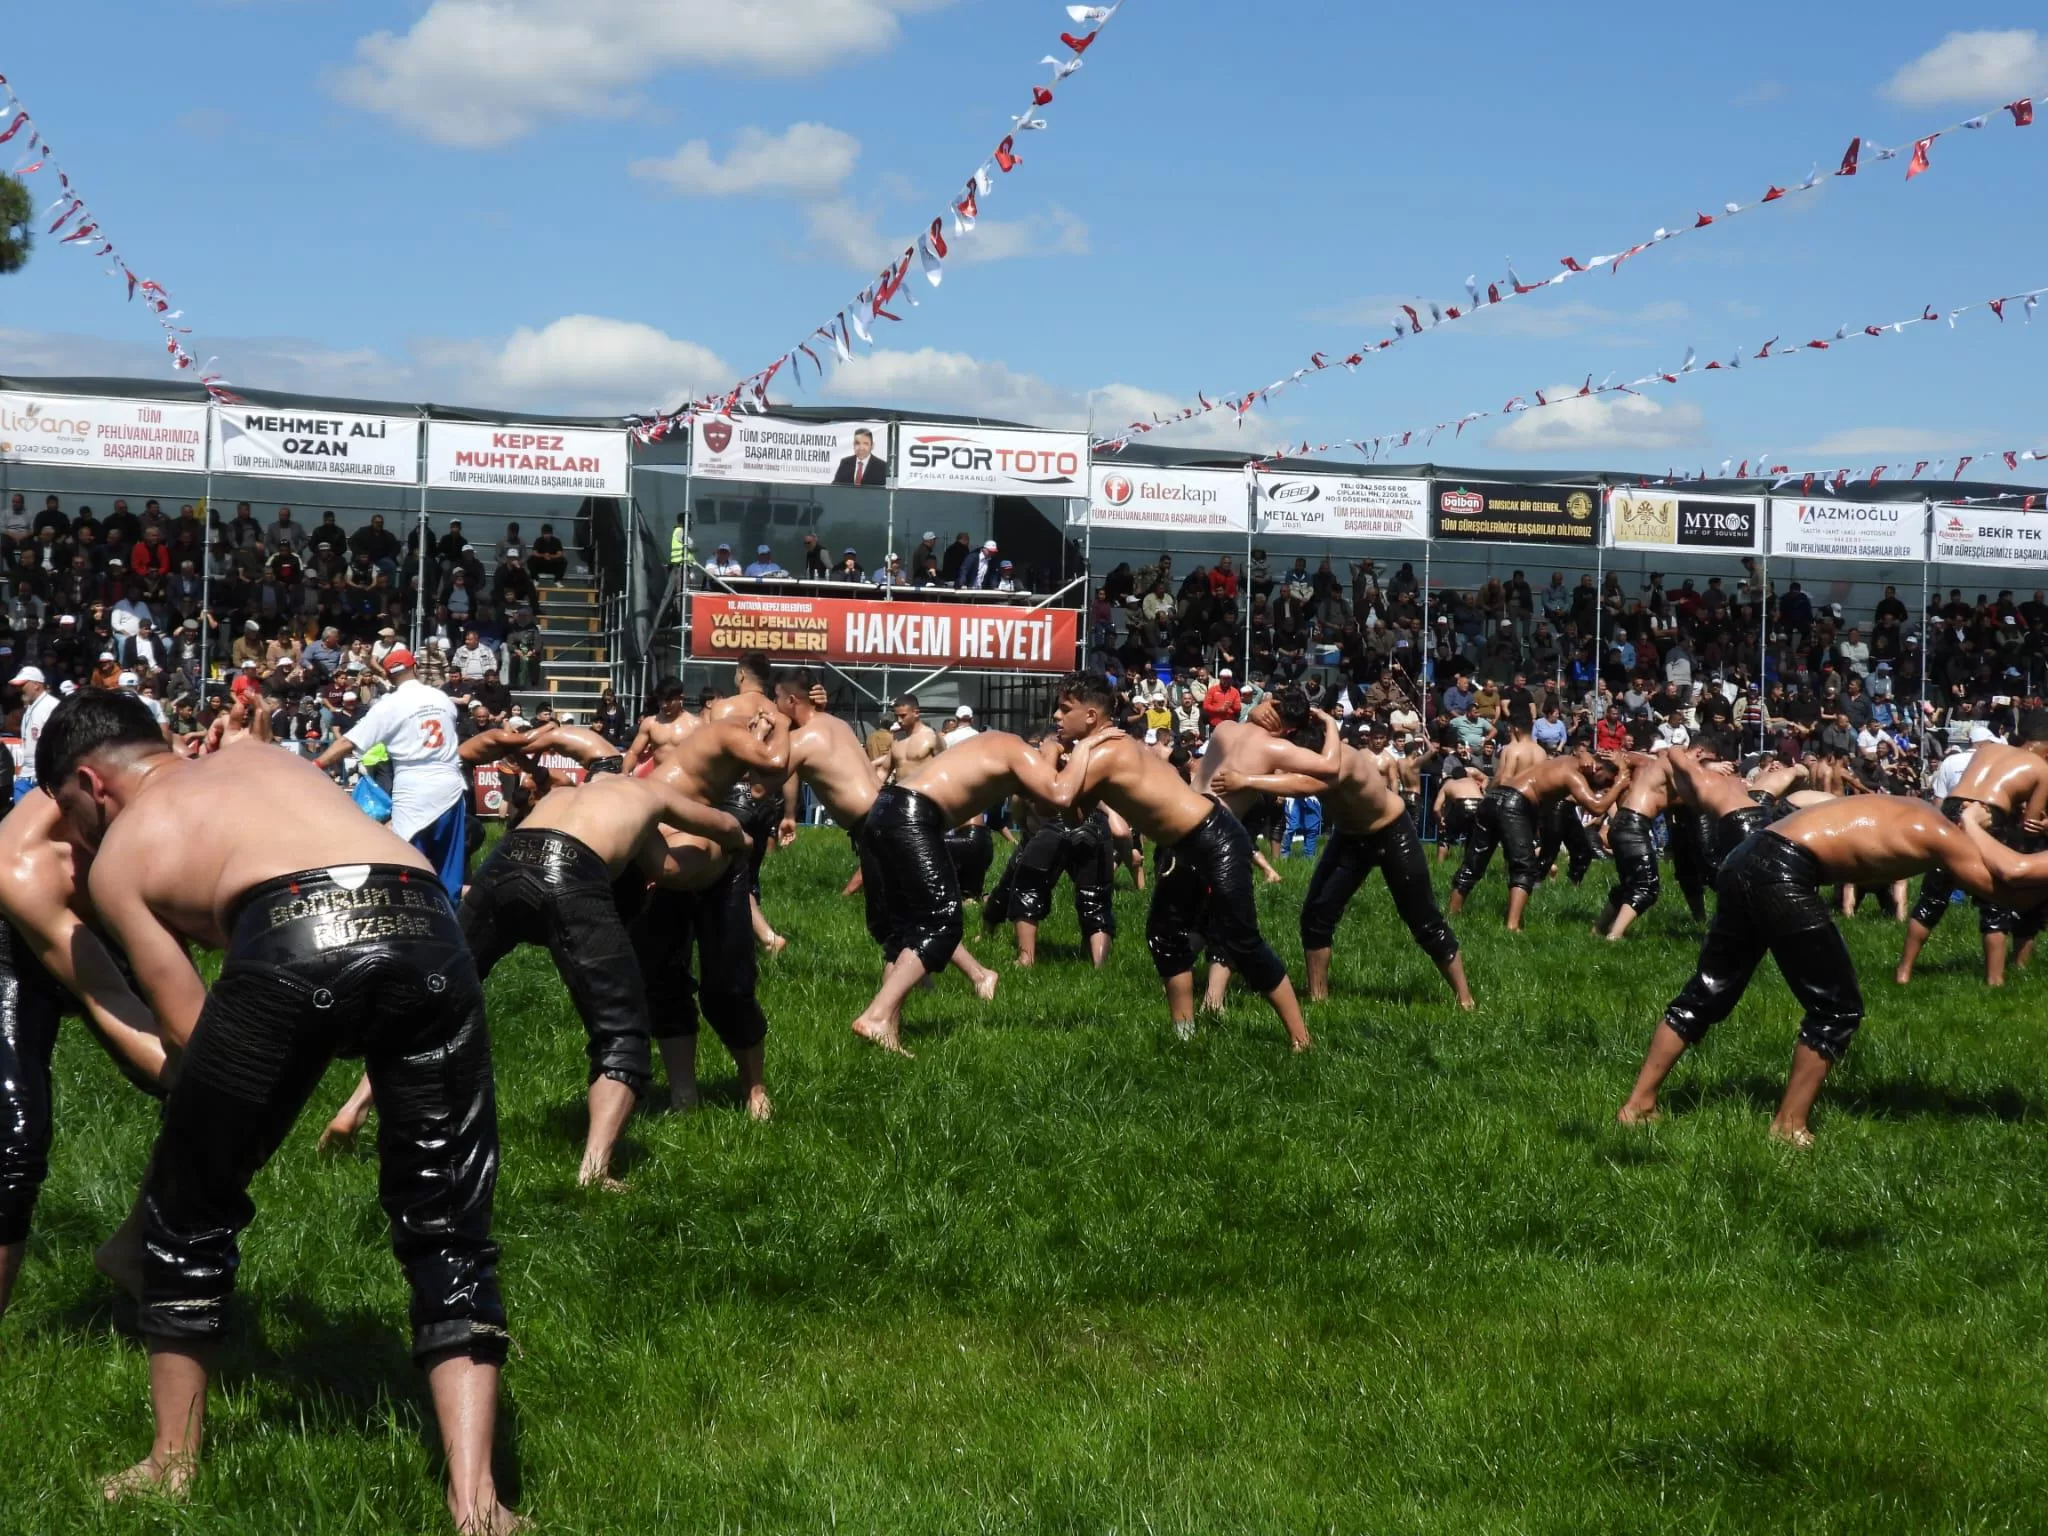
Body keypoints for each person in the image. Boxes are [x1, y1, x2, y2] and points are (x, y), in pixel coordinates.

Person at [38, 690, 515, 1529]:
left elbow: (196, 1042)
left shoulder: (119, 860)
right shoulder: (264, 757)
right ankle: (479, 1504)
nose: (77, 842)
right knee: (448, 1215)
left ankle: (170, 1465)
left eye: (71, 819)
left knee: (189, 1206)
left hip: (290, 925)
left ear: (90, 784)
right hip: (424, 914)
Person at [321, 772, 746, 1186]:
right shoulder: (653, 794)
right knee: (622, 1029)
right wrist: (738, 847)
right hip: (571, 870)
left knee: (434, 995)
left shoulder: (569, 793)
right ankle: (594, 1171)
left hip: (503, 864)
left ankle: (353, 1109)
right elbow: (718, 830)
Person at [1617, 794, 2040, 1146]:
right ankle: (1789, 1126)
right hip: (1783, 870)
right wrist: (1976, 827)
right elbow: (2011, 888)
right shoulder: (1941, 834)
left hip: (1745, 856)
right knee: (1836, 1009)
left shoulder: (1914, 808)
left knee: (1707, 991)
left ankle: (1638, 1106)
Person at [1053, 672, 1315, 1049]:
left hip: (1216, 837)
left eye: (1065, 709)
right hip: (1186, 844)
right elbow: (1072, 816)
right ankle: (1185, 1035)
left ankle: (1301, 1040)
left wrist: (1070, 753)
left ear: (1091, 716)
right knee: (1164, 936)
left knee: (1241, 940)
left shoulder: (1103, 751)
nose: (1057, 717)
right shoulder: (1101, 750)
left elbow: (1061, 796)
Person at [0, 777, 170, 1319]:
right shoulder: (24, 855)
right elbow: (103, 991)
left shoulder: (169, 790)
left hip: (101, 926)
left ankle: (131, 1250)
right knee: (15, 1143)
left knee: (217, 1093)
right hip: (17, 937)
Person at [1208, 705, 1473, 1011]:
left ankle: (1465, 999)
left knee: (1423, 919)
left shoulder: (1340, 760)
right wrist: (1256, 713)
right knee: (1316, 915)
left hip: (1392, 832)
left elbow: (1304, 785)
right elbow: (1257, 744)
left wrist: (1246, 780)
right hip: (1349, 837)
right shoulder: (1313, 753)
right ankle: (1318, 997)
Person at [852, 728, 1100, 1053]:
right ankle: (877, 1016)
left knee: (904, 930)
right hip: (911, 815)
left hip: (885, 809)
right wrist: (1072, 750)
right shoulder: (1014, 746)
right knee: (941, 924)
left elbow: (1061, 810)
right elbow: (1061, 794)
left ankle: (888, 1029)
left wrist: (1071, 775)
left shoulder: (1006, 760)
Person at [636, 699, 790, 1118]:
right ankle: (684, 1095)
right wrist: (780, 723)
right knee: (664, 982)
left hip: (702, 854)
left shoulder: (723, 743)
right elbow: (773, 766)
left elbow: (769, 777)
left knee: (728, 987)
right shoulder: (720, 734)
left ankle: (754, 1089)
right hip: (672, 855)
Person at [1895, 714, 2048, 988]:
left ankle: (1903, 972)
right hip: (1989, 817)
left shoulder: (1988, 749)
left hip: (1952, 810)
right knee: (1996, 902)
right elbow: (2030, 825)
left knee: (1934, 894)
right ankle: (1995, 980)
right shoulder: (2041, 769)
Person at [314, 648, 467, 894]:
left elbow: (347, 742)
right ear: (415, 667)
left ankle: (415, 911)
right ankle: (451, 913)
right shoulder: (442, 698)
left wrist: (314, 766)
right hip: (451, 784)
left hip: (414, 787)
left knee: (410, 865)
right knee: (449, 867)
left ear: (387, 674)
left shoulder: (388, 706)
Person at [1449, 738, 1629, 931]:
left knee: (1475, 861)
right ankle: (1512, 926)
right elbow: (1597, 807)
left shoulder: (1565, 760)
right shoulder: (1574, 774)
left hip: (1493, 798)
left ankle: (1452, 915)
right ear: (1597, 769)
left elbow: (1580, 757)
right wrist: (1619, 784)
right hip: (1514, 803)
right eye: (1607, 781)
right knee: (1524, 868)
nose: (1605, 787)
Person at [1594, 752, 1678, 942]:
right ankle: (1614, 936)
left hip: (1624, 824)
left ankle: (1598, 929)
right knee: (1646, 888)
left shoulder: (1639, 771)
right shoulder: (1644, 770)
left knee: (1630, 884)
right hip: (1632, 825)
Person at [624, 676, 700, 771]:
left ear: (681, 698)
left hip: (684, 778)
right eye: (660, 700)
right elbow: (633, 752)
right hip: (657, 777)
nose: (664, 705)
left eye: (669, 700)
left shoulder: (695, 725)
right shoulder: (650, 723)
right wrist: (624, 773)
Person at [12, 666, 57, 799]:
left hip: (44, 777)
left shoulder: (52, 706)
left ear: (36, 685)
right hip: (26, 774)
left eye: (23, 685)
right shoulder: (30, 708)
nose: (19, 689)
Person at [887, 694, 945, 780]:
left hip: (924, 787)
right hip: (899, 787)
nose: (899, 720)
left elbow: (945, 768)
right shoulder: (896, 738)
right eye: (896, 716)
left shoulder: (932, 737)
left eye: (903, 716)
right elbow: (884, 769)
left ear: (916, 713)